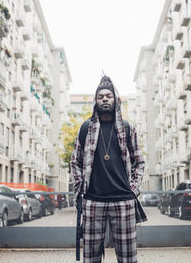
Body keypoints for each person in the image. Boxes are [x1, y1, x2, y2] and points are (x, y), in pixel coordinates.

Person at [70, 75, 147, 263]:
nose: (105, 99)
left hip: (123, 201)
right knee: (91, 258)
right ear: (95, 102)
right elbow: (75, 162)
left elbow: (139, 161)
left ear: (116, 100)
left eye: (109, 96)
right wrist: (81, 190)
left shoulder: (128, 128)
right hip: (93, 202)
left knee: (128, 258)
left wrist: (134, 190)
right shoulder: (86, 128)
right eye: (100, 96)